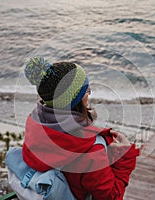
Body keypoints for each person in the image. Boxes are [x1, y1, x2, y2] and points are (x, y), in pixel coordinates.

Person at [22, 56, 140, 200]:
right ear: (73, 100)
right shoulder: (91, 150)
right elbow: (111, 197)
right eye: (86, 90)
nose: (89, 92)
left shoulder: (34, 122)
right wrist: (125, 156)